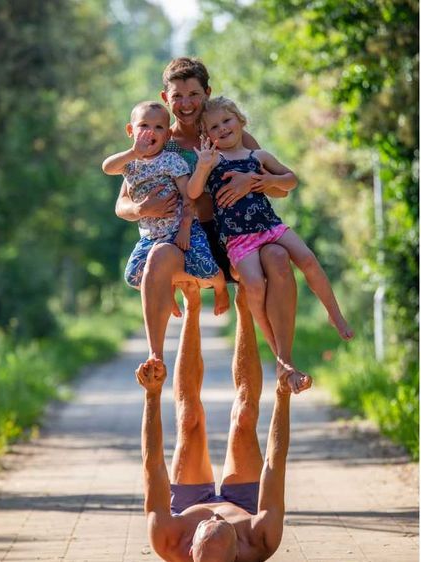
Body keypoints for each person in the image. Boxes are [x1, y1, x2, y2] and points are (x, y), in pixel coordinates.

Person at [116, 57, 302, 393]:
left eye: (194, 94)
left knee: (276, 258)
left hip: (235, 233)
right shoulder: (158, 141)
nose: (186, 104)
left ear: (207, 93)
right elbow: (123, 204)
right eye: (177, 96)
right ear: (165, 99)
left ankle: (284, 361)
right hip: (185, 237)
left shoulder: (227, 131)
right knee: (167, 265)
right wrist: (143, 206)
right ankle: (156, 360)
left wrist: (253, 182)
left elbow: (280, 187)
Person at [196, 96, 353, 385]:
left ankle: (335, 314)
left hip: (270, 226)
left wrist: (268, 182)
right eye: (214, 127)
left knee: (307, 258)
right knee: (254, 285)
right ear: (207, 136)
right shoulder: (212, 160)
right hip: (238, 239)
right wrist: (203, 167)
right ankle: (280, 354)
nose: (222, 129)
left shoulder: (259, 157)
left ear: (241, 121)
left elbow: (290, 179)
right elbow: (194, 192)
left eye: (227, 121)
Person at [137, 285, 298, 561]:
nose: (215, 513)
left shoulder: (167, 538)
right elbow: (275, 462)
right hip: (245, 504)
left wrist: (152, 395)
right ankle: (244, 300)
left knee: (189, 419)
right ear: (237, 551)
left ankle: (192, 302)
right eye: (222, 522)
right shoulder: (261, 537)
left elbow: (153, 464)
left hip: (188, 504)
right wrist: (282, 395)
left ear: (191, 549)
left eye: (207, 524)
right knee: (245, 415)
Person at [104, 101, 231, 373]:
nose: (151, 132)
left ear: (167, 135)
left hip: (180, 230)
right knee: (134, 276)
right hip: (151, 236)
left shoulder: (172, 160)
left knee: (207, 269)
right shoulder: (131, 165)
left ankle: (221, 289)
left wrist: (186, 228)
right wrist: (132, 153)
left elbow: (190, 198)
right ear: (131, 130)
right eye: (144, 126)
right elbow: (107, 167)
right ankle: (167, 292)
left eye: (159, 127)